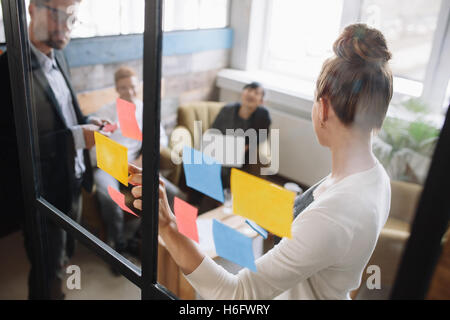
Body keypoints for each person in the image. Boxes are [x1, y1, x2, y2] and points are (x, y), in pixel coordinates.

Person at [129, 23, 394, 299]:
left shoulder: (333, 215)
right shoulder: (376, 179)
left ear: (323, 107)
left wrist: (168, 226)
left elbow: (235, 293)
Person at [0, 0, 109, 299]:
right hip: (43, 193)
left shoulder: (60, 57)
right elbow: (12, 147)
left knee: (63, 255)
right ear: (32, 9)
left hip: (72, 181)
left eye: (72, 17)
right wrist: (75, 137)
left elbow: (64, 115)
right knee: (47, 270)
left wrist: (87, 123)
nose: (65, 25)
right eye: (57, 13)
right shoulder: (8, 69)